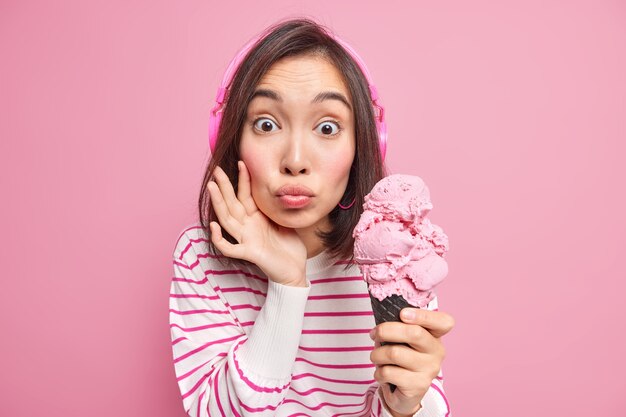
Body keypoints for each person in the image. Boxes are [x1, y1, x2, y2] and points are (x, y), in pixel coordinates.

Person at [169, 17, 455, 417]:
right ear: (229, 136)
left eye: (327, 126)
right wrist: (288, 285)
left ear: (365, 144)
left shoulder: (393, 256)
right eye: (266, 124)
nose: (296, 161)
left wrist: (406, 405)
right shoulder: (201, 258)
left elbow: (415, 399)